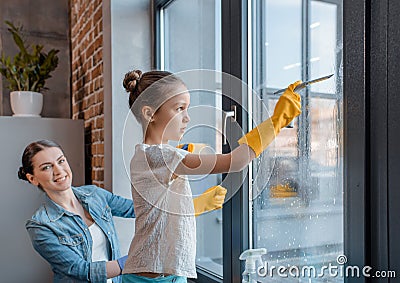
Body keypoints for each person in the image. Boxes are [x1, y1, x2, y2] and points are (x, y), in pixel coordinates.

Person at [121, 70, 301, 282]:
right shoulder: (161, 156)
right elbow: (235, 161)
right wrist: (278, 120)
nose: (187, 118)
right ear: (150, 113)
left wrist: (196, 204)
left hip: (157, 274)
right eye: (179, 109)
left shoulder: (147, 154)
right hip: (156, 278)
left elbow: (159, 209)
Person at [20, 140, 225, 283]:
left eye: (61, 160)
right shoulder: (41, 225)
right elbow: (79, 270)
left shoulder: (93, 195)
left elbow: (137, 208)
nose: (59, 171)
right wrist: (133, 261)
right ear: (32, 178)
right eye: (47, 167)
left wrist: (191, 202)